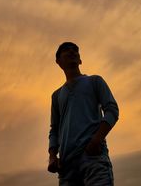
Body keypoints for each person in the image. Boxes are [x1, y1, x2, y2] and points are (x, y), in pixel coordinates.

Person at [47, 42, 119, 186]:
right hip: (66, 167)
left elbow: (112, 110)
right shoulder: (56, 96)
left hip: (92, 158)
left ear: (80, 60)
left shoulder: (95, 81)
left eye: (75, 50)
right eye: (67, 50)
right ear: (58, 62)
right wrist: (53, 156)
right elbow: (54, 129)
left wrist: (97, 140)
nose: (72, 52)